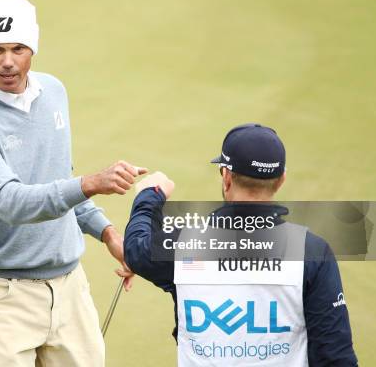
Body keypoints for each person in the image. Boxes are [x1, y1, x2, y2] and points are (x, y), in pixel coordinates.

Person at [0, 0, 142, 367]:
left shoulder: (53, 92)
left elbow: (57, 179)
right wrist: (90, 184)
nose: (9, 61)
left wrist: (108, 233)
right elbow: (11, 201)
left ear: (33, 47)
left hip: (68, 289)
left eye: (18, 48)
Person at [123, 123, 358, 366]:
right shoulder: (312, 251)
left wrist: (151, 194)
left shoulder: (185, 247)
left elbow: (136, 249)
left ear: (226, 177)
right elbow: (335, 356)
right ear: (281, 180)